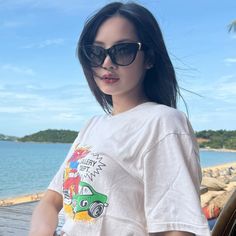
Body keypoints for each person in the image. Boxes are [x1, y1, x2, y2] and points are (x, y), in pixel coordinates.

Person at [29, 2, 211, 236]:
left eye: (123, 50)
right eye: (96, 52)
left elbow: (177, 228)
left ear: (149, 58)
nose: (106, 63)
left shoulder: (164, 122)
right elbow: (50, 201)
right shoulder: (92, 125)